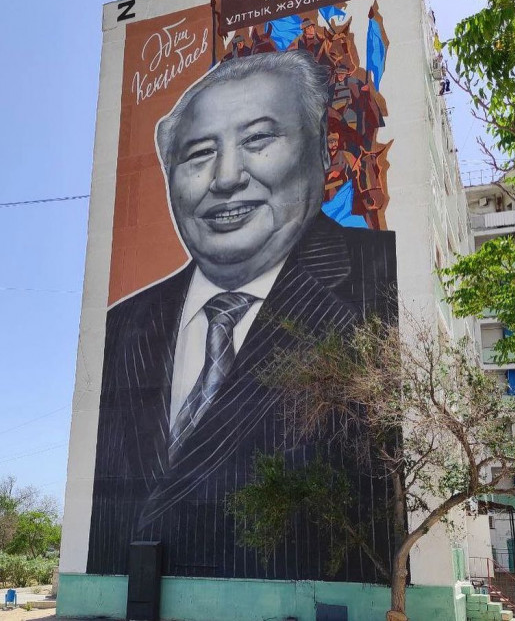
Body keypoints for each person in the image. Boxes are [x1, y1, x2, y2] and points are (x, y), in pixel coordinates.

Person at [87, 51, 397, 581]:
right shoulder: (121, 328)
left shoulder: (384, 283)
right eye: (199, 154)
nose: (226, 178)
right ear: (168, 177)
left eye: (258, 140)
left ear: (323, 151)